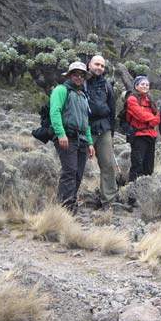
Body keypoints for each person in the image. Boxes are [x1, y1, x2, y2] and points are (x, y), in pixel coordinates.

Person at [50, 61, 95, 213]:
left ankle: (71, 204)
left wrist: (90, 142)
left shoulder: (83, 95)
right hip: (67, 137)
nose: (79, 77)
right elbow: (55, 112)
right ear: (69, 75)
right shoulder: (61, 90)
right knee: (69, 172)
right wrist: (61, 134)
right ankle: (65, 208)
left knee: (77, 174)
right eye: (75, 74)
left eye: (82, 75)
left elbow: (86, 121)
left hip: (81, 139)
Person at [86, 55, 117, 209]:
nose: (99, 68)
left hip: (104, 128)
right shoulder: (81, 82)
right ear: (89, 64)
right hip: (84, 128)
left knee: (108, 164)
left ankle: (108, 200)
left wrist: (111, 130)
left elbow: (112, 109)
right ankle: (70, 198)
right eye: (96, 64)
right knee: (77, 164)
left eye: (102, 66)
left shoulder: (107, 86)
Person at [126, 76, 160, 181]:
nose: (145, 86)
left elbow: (158, 118)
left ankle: (146, 192)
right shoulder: (132, 99)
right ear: (136, 86)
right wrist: (152, 119)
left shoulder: (150, 100)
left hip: (151, 136)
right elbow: (140, 115)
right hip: (138, 136)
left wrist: (152, 120)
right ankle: (132, 194)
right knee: (137, 165)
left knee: (149, 167)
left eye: (147, 84)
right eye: (142, 84)